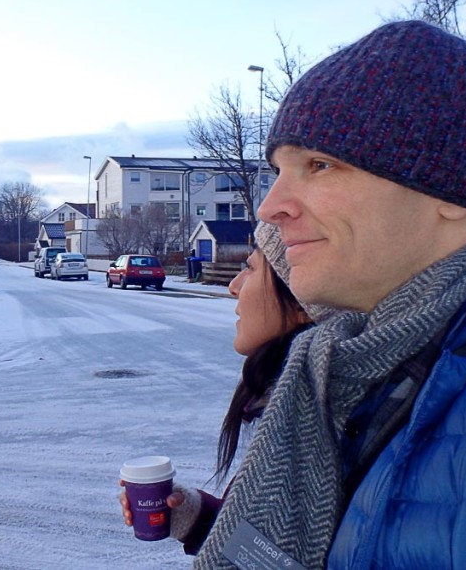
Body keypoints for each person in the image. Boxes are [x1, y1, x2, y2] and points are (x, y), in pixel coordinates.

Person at [194, 21, 466, 570]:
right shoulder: (345, 372)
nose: (270, 206)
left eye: (320, 165)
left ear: (451, 194)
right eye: (279, 170)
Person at [119, 223, 327, 554]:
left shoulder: (317, 419)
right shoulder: (291, 397)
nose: (233, 287)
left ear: (302, 302)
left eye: (250, 268)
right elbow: (273, 552)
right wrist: (196, 517)